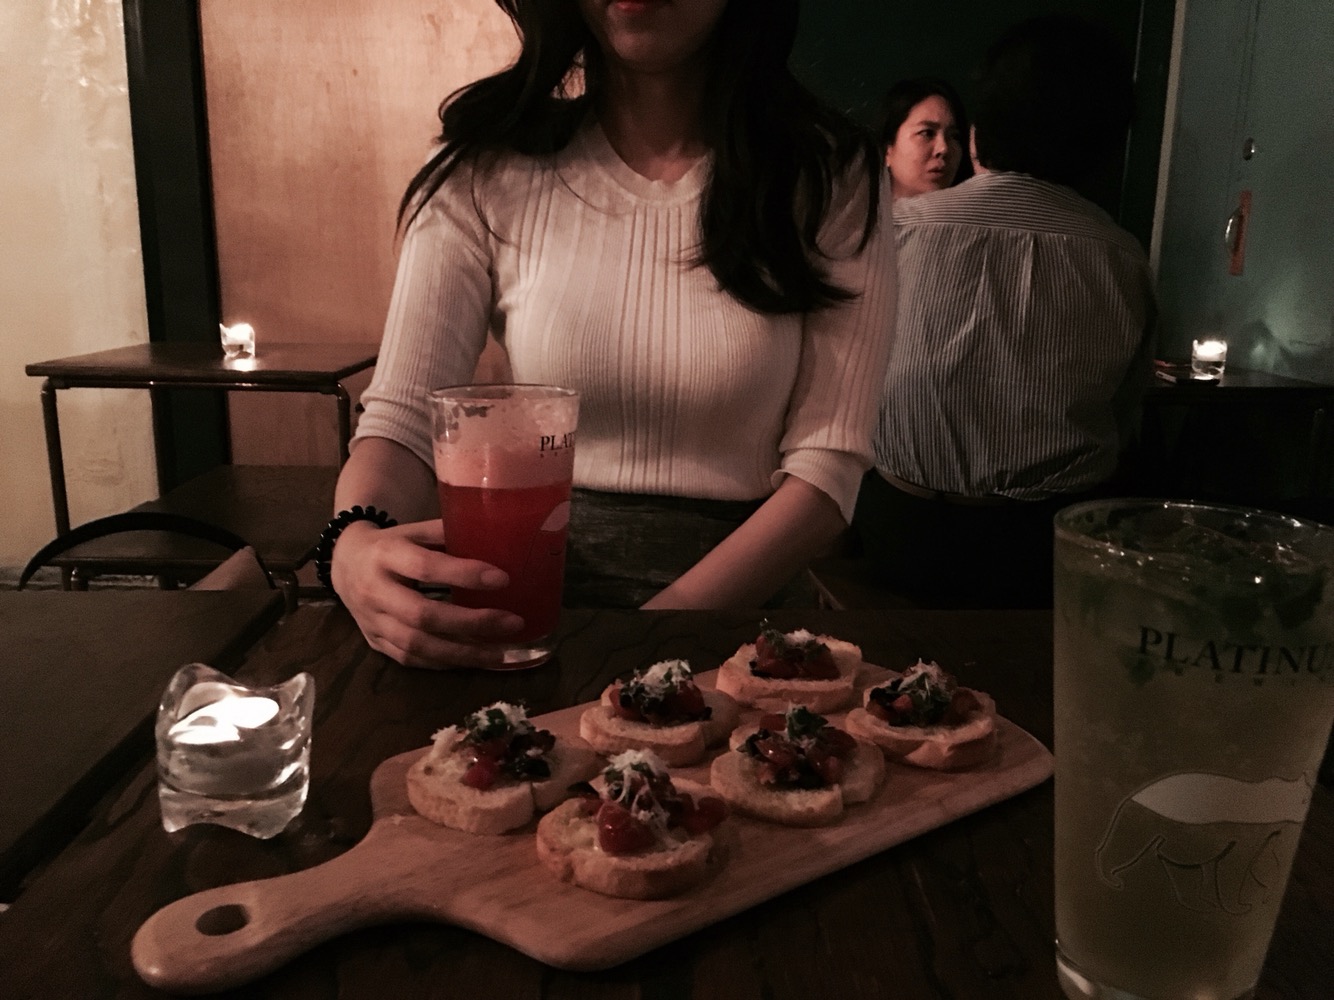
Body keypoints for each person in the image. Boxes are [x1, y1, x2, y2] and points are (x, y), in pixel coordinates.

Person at [326, 0, 897, 668]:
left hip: (742, 638)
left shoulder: (829, 173)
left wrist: (633, 654)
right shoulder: (483, 163)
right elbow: (402, 422)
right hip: (520, 619)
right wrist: (353, 543)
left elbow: (827, 470)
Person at [853, 15, 1154, 609]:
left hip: (901, 538)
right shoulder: (1124, 258)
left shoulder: (895, 232)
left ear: (976, 138)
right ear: (1108, 143)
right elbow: (1126, 418)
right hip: (1046, 551)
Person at [879, 77, 969, 200]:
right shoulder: (858, 211)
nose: (943, 148)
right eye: (927, 133)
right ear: (887, 151)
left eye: (954, 136)